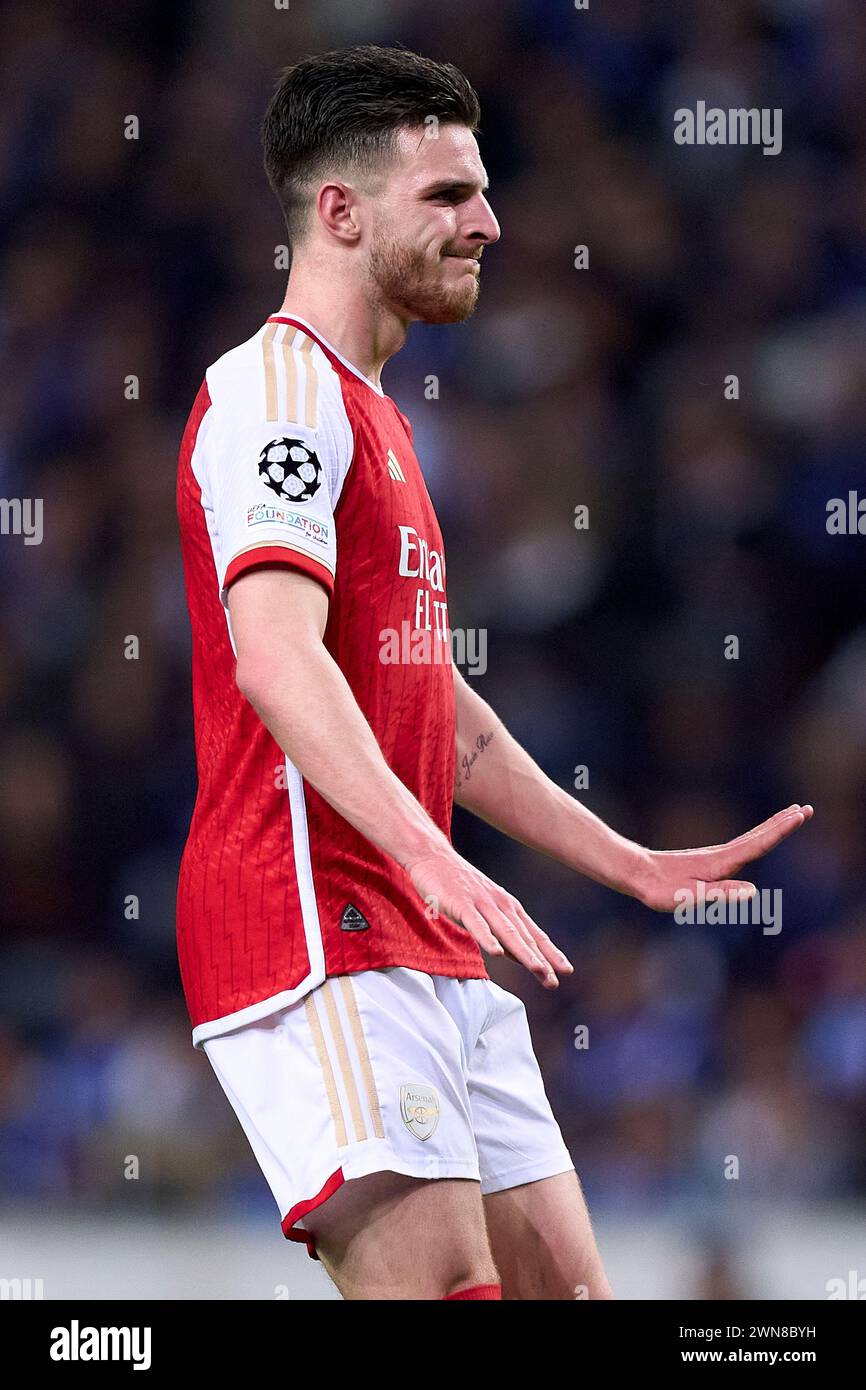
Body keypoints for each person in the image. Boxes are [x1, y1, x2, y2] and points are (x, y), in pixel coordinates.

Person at [175, 43, 812, 1301]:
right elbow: (273, 659)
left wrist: (617, 858)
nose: (488, 222)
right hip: (318, 922)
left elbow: (429, 707)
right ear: (341, 212)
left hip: (419, 930)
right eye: (449, 197)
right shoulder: (275, 393)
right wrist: (424, 853)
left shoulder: (383, 417)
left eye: (481, 191)